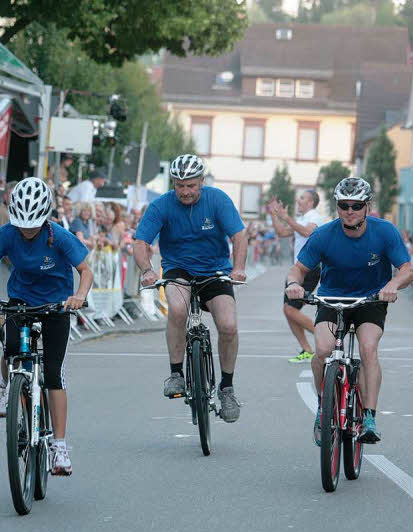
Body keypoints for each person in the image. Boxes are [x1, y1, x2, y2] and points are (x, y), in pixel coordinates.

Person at [0, 177, 92, 476]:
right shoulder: (7, 234)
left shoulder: (59, 236)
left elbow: (85, 270)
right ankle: (7, 385)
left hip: (56, 303)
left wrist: (79, 296)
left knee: (54, 374)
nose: (27, 230)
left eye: (32, 224)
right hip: (21, 298)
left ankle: (59, 446)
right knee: (11, 352)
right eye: (22, 223)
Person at [284, 177, 413, 445]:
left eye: (356, 205)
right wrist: (294, 284)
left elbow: (407, 270)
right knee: (322, 350)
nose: (350, 210)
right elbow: (298, 268)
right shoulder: (323, 234)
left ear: (367, 207)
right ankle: (324, 407)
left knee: (367, 349)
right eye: (344, 205)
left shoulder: (385, 231)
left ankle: (368, 417)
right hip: (332, 300)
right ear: (337, 207)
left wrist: (392, 285)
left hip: (371, 301)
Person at [133, 154, 247, 422]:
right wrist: (147, 270)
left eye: (191, 185)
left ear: (201, 182)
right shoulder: (161, 206)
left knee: (228, 325)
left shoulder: (217, 199)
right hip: (178, 268)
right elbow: (140, 242)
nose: (185, 191)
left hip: (215, 269)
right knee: (176, 308)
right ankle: (176, 374)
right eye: (179, 185)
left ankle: (227, 388)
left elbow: (238, 235)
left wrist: (238, 267)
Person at [268, 190, 324, 363]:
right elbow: (282, 233)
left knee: (290, 309)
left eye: (302, 198)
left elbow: (308, 232)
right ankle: (307, 349)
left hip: (310, 268)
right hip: (297, 269)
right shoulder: (300, 219)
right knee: (288, 310)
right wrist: (274, 214)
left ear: (311, 202)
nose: (298, 201)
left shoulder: (315, 217)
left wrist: (287, 218)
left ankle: (323, 334)